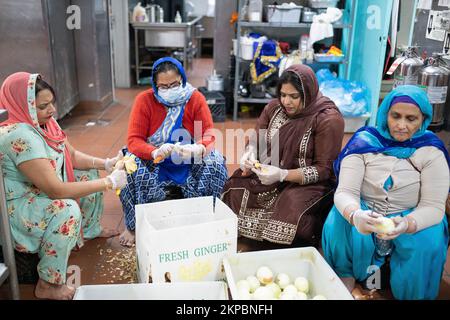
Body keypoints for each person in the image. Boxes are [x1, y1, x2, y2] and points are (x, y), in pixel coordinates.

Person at [0, 72, 128, 300]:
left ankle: (88, 231)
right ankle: (48, 283)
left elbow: (73, 156)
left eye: (52, 103)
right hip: (18, 206)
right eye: (42, 106)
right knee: (66, 210)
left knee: (87, 172)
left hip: (40, 189)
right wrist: (108, 183)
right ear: (21, 105)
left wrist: (106, 164)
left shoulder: (46, 124)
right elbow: (55, 190)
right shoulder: (18, 135)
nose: (52, 111)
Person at [322, 85, 450, 300]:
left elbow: (433, 206)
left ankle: (412, 293)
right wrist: (356, 215)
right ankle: (345, 276)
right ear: (385, 114)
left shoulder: (431, 150)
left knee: (430, 238)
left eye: (411, 119)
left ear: (423, 120)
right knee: (338, 219)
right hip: (366, 211)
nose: (401, 125)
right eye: (395, 116)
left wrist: (408, 223)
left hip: (411, 214)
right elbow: (346, 191)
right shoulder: (364, 142)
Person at [221, 64, 344, 247]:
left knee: (291, 209)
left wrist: (282, 175)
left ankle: (274, 244)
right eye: (283, 95)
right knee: (234, 187)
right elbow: (258, 138)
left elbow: (324, 170)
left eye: (294, 96)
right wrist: (251, 153)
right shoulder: (274, 108)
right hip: (269, 174)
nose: (286, 102)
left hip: (307, 183)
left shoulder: (327, 119)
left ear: (308, 93)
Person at [119, 57, 228, 247]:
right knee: (127, 165)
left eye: (175, 84)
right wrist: (154, 152)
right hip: (154, 159)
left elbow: (208, 134)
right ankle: (134, 225)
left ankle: (204, 214)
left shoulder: (195, 98)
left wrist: (198, 148)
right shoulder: (144, 100)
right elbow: (134, 140)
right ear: (155, 85)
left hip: (186, 158)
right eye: (164, 86)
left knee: (216, 162)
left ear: (183, 79)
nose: (169, 90)